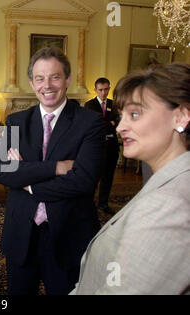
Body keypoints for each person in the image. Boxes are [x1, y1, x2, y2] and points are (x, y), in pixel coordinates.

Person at [0, 47, 105, 295]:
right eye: (40, 78)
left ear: (68, 79)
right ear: (32, 83)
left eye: (55, 77)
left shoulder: (91, 123)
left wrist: (26, 180)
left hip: (69, 234)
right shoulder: (15, 121)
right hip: (22, 234)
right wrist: (55, 167)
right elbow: (1, 172)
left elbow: (83, 181)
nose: (48, 85)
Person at [71, 63, 190, 294]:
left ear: (181, 116)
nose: (121, 127)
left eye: (134, 114)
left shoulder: (168, 205)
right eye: (122, 115)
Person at [85, 78, 120, 215]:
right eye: (100, 90)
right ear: (95, 90)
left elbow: (118, 122)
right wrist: (109, 123)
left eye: (106, 89)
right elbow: (95, 124)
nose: (104, 92)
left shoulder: (114, 104)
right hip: (96, 148)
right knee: (93, 176)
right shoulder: (90, 105)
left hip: (111, 146)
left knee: (108, 177)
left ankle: (103, 203)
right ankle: (87, 204)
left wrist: (110, 123)